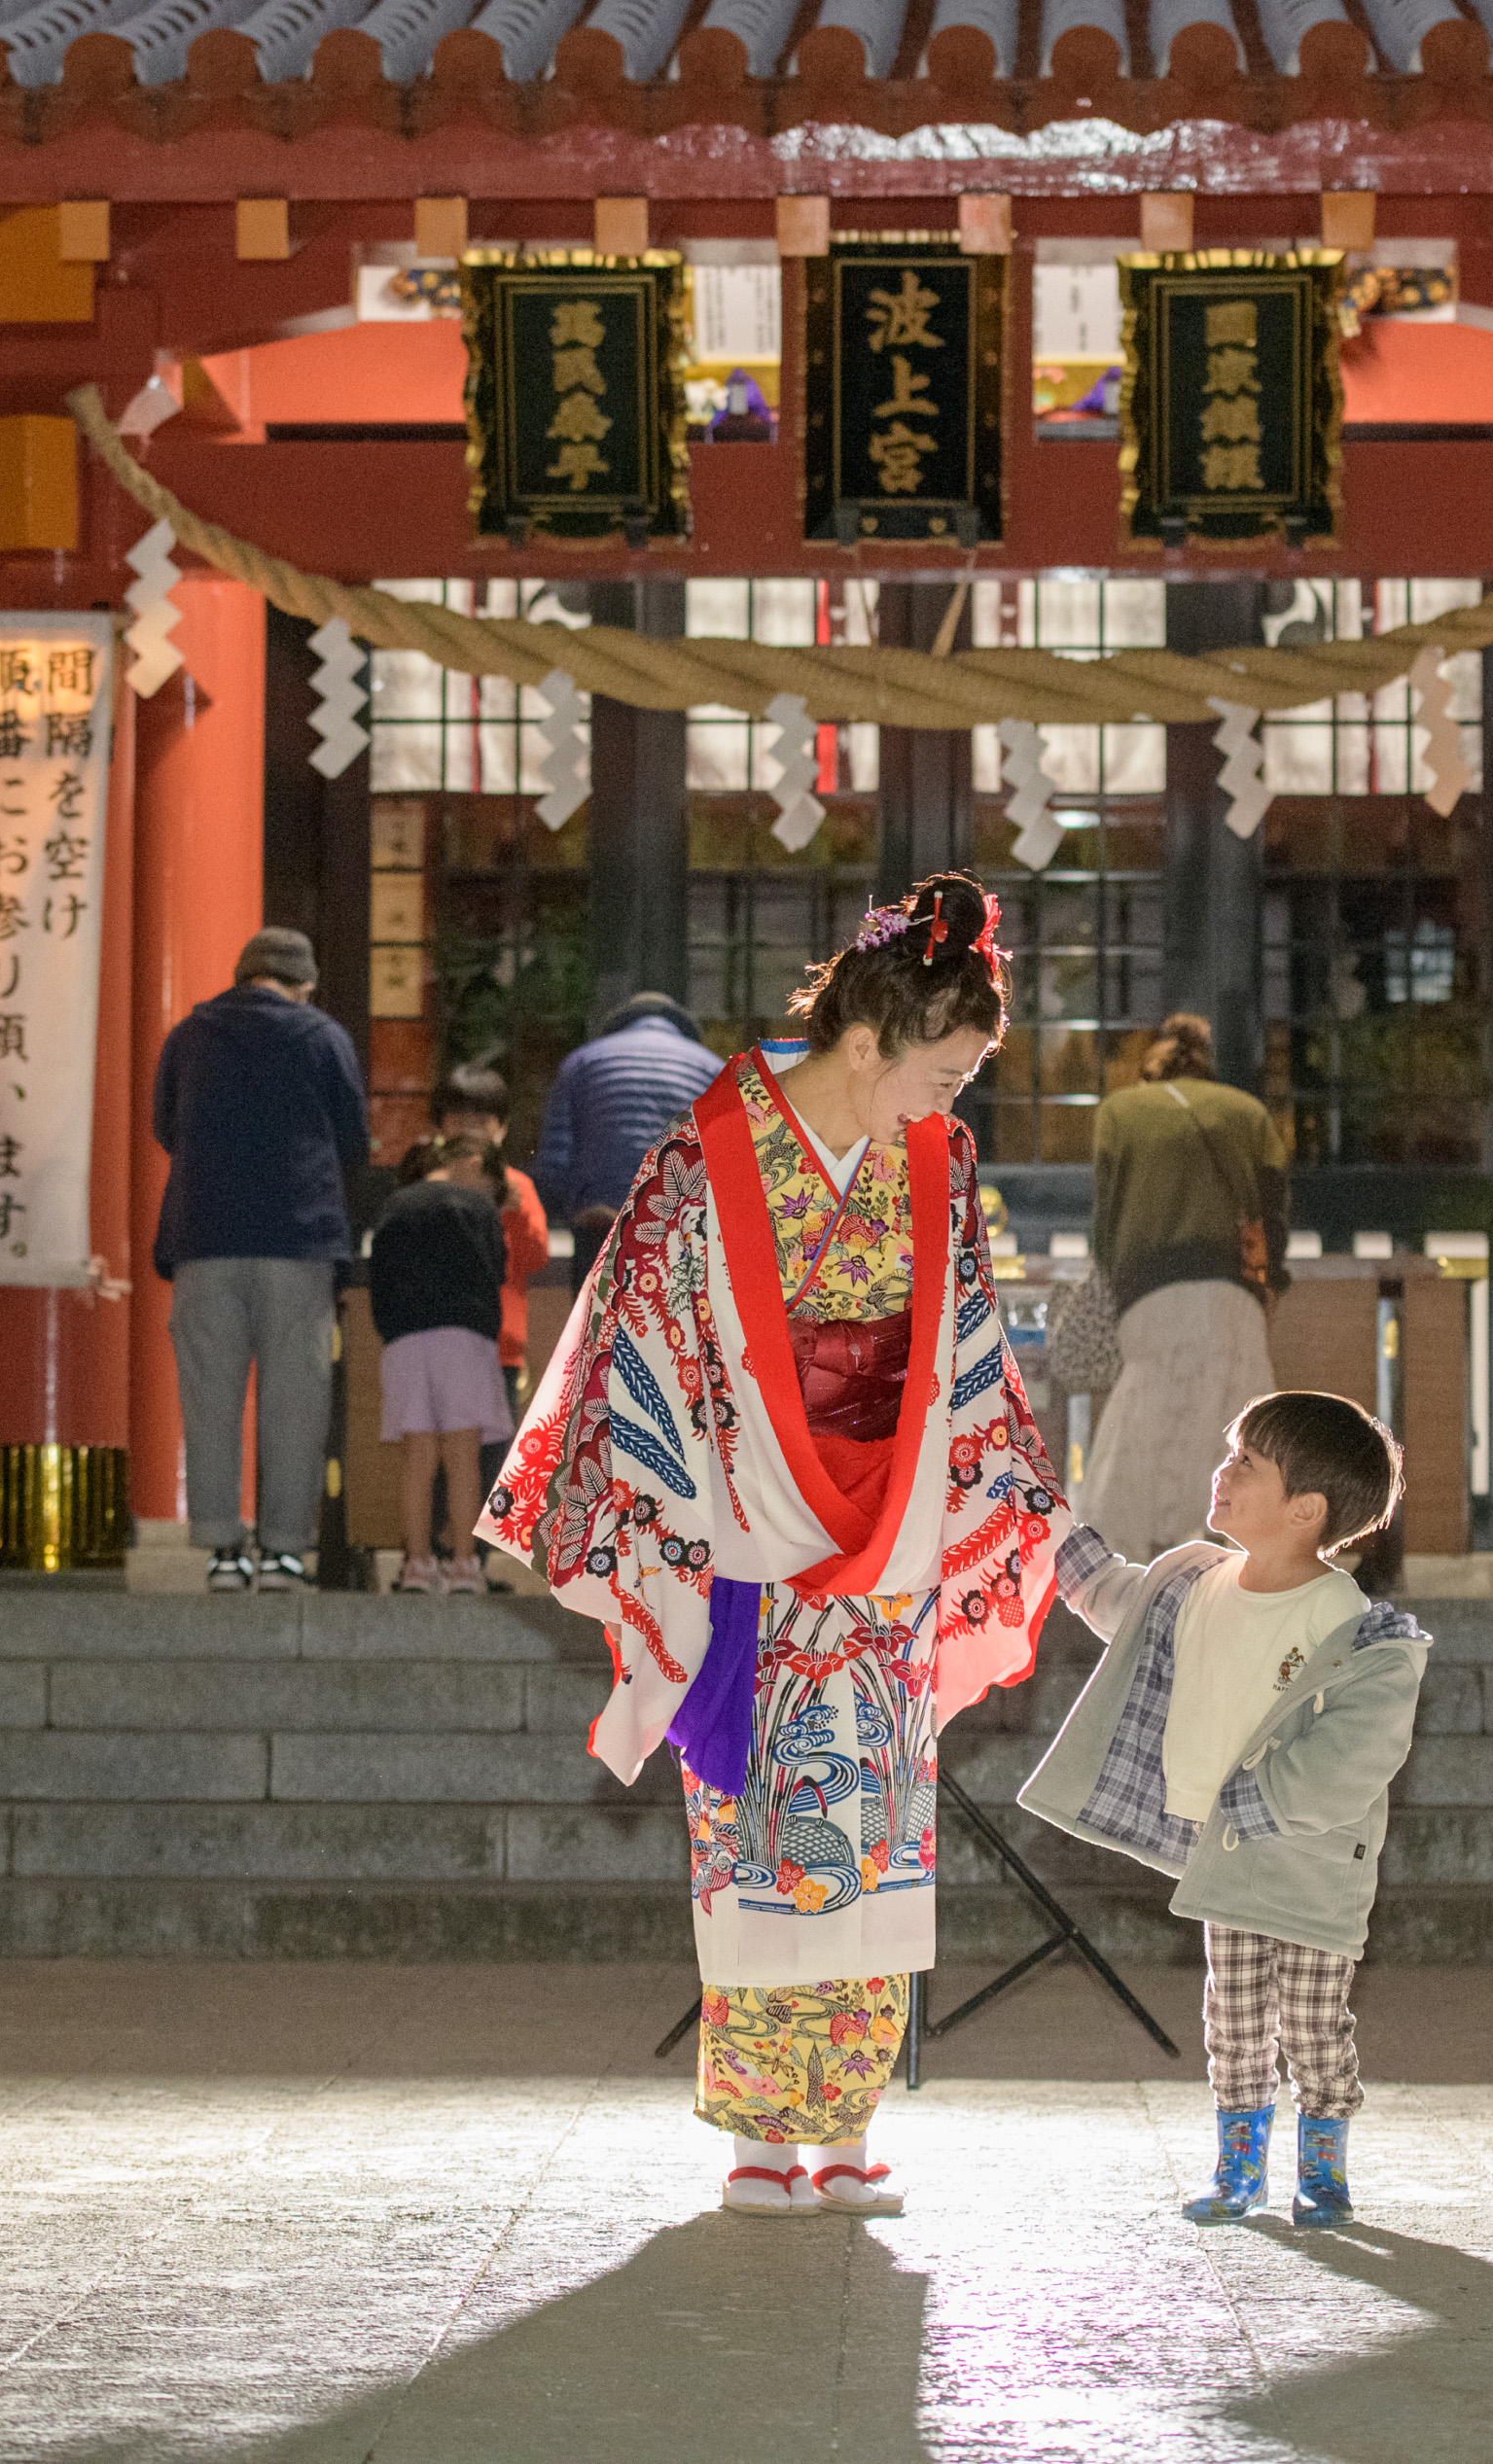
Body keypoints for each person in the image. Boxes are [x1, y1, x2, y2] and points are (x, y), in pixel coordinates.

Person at [482, 874, 1070, 2219]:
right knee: (755, 1824)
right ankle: (759, 2126)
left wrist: (1021, 1498)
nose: (950, 1098)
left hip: (899, 1529)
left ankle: (850, 2113)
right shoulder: (705, 1152)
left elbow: (968, 1344)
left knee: (876, 1820)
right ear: (867, 1040)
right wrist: (703, 1495)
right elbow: (642, 1332)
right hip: (741, 1521)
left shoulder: (940, 1162)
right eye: (941, 1068)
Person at [1017, 1390, 1424, 2233]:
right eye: (1230, 1451)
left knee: (1313, 2021)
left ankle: (1323, 2161)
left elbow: (1361, 1743)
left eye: (1247, 1462)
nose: (1222, 1469)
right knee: (1233, 2017)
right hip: (1225, 1853)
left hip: (1309, 1861)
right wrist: (1045, 1523)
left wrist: (1261, 1796)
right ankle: (1239, 2166)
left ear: (1304, 1510)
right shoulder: (1193, 1580)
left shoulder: (1349, 1624)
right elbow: (1110, 1596)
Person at [154, 927, 365, 1593]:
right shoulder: (322, 1037)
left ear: (243, 975)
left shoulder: (189, 1037)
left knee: (210, 1395)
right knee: (295, 1399)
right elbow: (352, 1138)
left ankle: (222, 1549)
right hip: (297, 1242)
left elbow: (166, 1126)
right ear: (303, 983)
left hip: (205, 1239)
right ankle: (281, 1552)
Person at [1081, 1012, 1293, 1559]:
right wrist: (1272, 1280)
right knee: (1237, 1421)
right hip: (1232, 1291)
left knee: (1146, 1412)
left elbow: (1105, 1218)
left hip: (1150, 1290)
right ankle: (1234, 1548)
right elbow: (1273, 1210)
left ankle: (1132, 1556)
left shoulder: (1120, 1113)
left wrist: (1112, 1275)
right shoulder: (1247, 1114)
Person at [368, 1134, 513, 1596]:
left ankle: (416, 1565)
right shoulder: (476, 1207)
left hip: (406, 1341)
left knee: (418, 1457)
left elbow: (379, 1276)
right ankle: (464, 1567)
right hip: (463, 1337)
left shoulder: (394, 1206)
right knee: (463, 1457)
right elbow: (497, 1269)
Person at [530, 990, 719, 1287]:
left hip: (598, 1221)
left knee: (593, 1326)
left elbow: (555, 1158)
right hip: (675, 1226)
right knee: (667, 1327)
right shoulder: (711, 1069)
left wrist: (572, 1211)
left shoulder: (582, 1062)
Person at [436, 1060, 553, 1419]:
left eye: (481, 1120)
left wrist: (513, 1213)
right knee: (442, 1463)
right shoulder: (430, 1186)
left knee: (495, 1463)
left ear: (501, 1128)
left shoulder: (517, 1186)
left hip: (500, 1349)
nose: (470, 1130)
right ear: (439, 1125)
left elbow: (536, 1258)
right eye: (459, 1119)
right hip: (436, 1343)